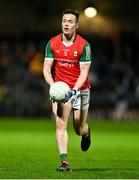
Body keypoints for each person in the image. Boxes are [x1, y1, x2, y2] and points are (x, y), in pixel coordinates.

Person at [43, 8, 92, 172]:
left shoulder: (84, 45)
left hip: (80, 89)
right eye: (64, 21)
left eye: (70, 21)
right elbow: (46, 68)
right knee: (60, 124)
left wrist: (74, 90)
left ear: (76, 25)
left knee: (78, 127)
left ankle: (86, 132)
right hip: (61, 90)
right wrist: (53, 85)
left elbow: (84, 73)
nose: (66, 24)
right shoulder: (52, 43)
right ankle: (65, 162)